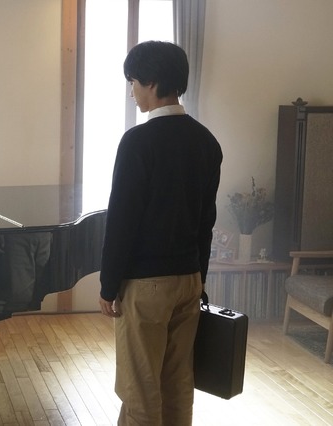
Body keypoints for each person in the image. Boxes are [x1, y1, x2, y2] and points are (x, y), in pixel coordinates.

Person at [98, 41, 222, 426]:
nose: (132, 92)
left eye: (133, 82)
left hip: (146, 286)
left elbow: (122, 219)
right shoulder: (207, 141)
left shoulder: (138, 142)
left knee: (139, 389)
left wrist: (108, 285)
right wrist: (199, 278)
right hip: (188, 280)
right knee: (178, 383)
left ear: (151, 82)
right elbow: (206, 220)